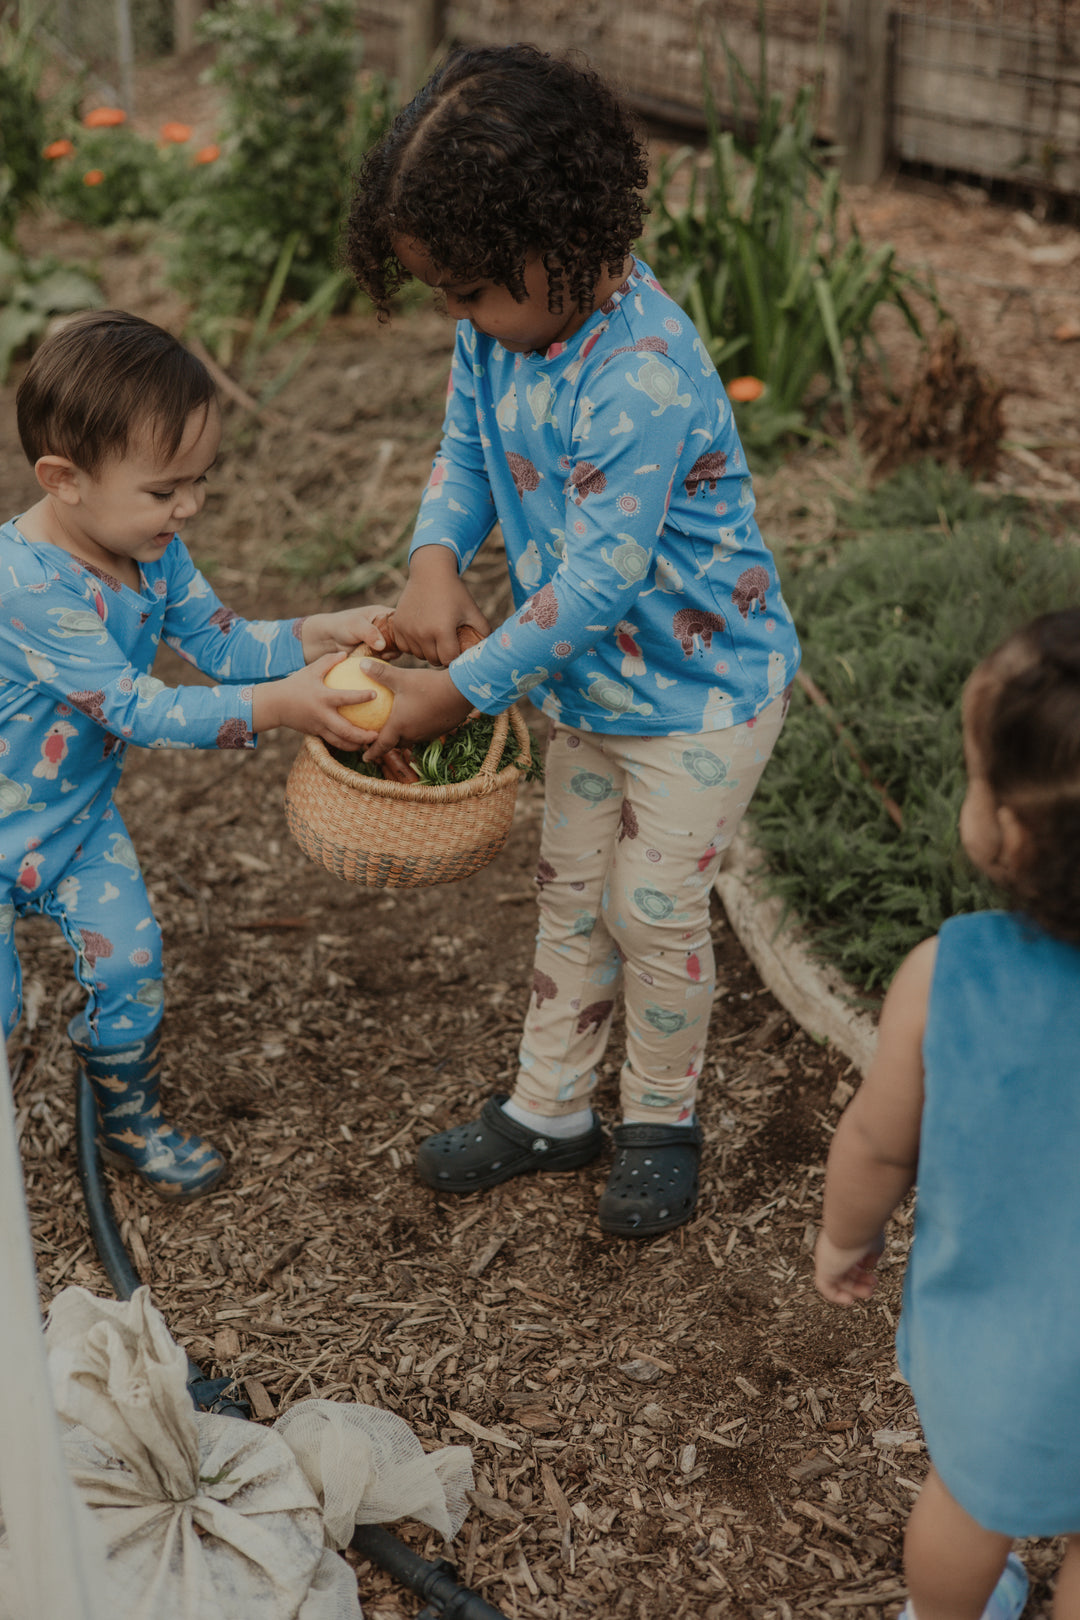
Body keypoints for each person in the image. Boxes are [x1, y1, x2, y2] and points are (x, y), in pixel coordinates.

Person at [342, 43, 801, 1236]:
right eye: (446, 296)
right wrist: (435, 556)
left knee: (649, 906)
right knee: (568, 893)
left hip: (704, 694)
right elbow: (465, 454)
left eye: (473, 290)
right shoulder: (500, 329)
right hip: (587, 687)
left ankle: (660, 1115)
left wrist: (459, 694)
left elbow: (599, 583)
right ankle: (551, 1107)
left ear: (570, 234)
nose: (462, 318)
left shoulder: (640, 373)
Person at [2, 309, 391, 1199]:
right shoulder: (24, 589)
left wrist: (310, 635)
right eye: (165, 489)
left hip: (75, 823)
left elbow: (221, 643)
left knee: (132, 967)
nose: (190, 508)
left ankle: (128, 1120)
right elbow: (137, 708)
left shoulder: (154, 554)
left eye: (199, 481)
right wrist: (279, 709)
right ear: (62, 479)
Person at [814, 609, 1080, 1620]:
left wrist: (847, 1237)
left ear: (1010, 833)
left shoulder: (949, 974)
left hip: (1004, 1353)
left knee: (969, 1511)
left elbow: (880, 1142)